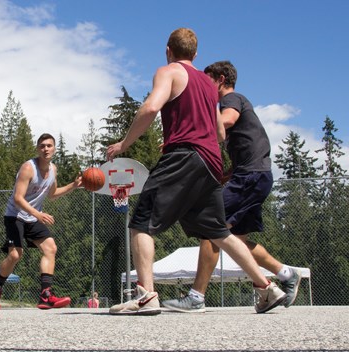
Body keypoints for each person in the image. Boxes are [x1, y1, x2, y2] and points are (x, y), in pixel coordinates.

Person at [105, 28, 286, 315]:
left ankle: (145, 295)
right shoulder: (207, 83)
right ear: (196, 54)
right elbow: (220, 134)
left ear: (168, 50)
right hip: (211, 162)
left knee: (141, 223)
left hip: (184, 155)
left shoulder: (169, 72)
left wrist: (125, 143)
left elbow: (152, 107)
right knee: (219, 232)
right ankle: (266, 288)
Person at [162, 61, 302, 313]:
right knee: (234, 240)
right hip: (252, 176)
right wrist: (227, 175)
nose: (205, 86)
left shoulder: (231, 99)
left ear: (221, 79)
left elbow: (225, 122)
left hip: (250, 177)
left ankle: (196, 297)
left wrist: (186, 135)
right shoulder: (236, 101)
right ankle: (286, 273)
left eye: (208, 81)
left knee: (210, 229)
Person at [0, 133, 82, 310]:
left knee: (50, 248)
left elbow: (52, 195)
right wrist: (37, 214)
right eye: (42, 146)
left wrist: (73, 186)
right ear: (38, 148)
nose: (46, 149)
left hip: (32, 216)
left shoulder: (53, 170)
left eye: (49, 145)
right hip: (15, 215)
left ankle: (45, 296)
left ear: (54, 148)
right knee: (15, 255)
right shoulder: (28, 168)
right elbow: (17, 198)